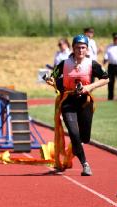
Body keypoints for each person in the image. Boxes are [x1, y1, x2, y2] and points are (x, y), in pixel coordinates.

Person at [46, 34, 109, 176]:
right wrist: (50, 80)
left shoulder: (92, 64)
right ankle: (85, 164)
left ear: (87, 49)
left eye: (83, 48)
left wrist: (89, 87)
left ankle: (76, 146)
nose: (80, 50)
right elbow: (53, 77)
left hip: (85, 102)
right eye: (77, 47)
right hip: (68, 102)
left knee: (84, 138)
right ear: (73, 48)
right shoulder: (64, 63)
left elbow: (106, 79)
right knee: (74, 133)